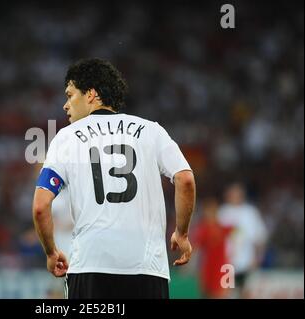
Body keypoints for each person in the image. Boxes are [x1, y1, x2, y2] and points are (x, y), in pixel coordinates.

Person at [32, 58, 196, 299]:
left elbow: (39, 206)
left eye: (70, 95)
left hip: (90, 267)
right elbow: (185, 179)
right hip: (147, 269)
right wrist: (181, 233)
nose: (66, 105)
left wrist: (51, 252)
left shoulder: (65, 139)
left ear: (91, 94)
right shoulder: (151, 131)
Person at [217, 183, 267, 298]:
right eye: (232, 193)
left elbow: (259, 238)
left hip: (247, 262)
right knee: (227, 293)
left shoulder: (250, 212)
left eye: (237, 193)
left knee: (246, 293)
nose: (235, 196)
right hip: (227, 263)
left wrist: (258, 258)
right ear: (227, 195)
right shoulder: (222, 213)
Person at [194, 197, 233, 299]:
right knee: (208, 294)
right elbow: (196, 248)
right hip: (208, 268)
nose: (209, 214)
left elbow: (237, 234)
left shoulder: (223, 228)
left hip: (223, 267)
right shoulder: (203, 229)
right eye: (207, 212)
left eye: (212, 211)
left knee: (222, 294)